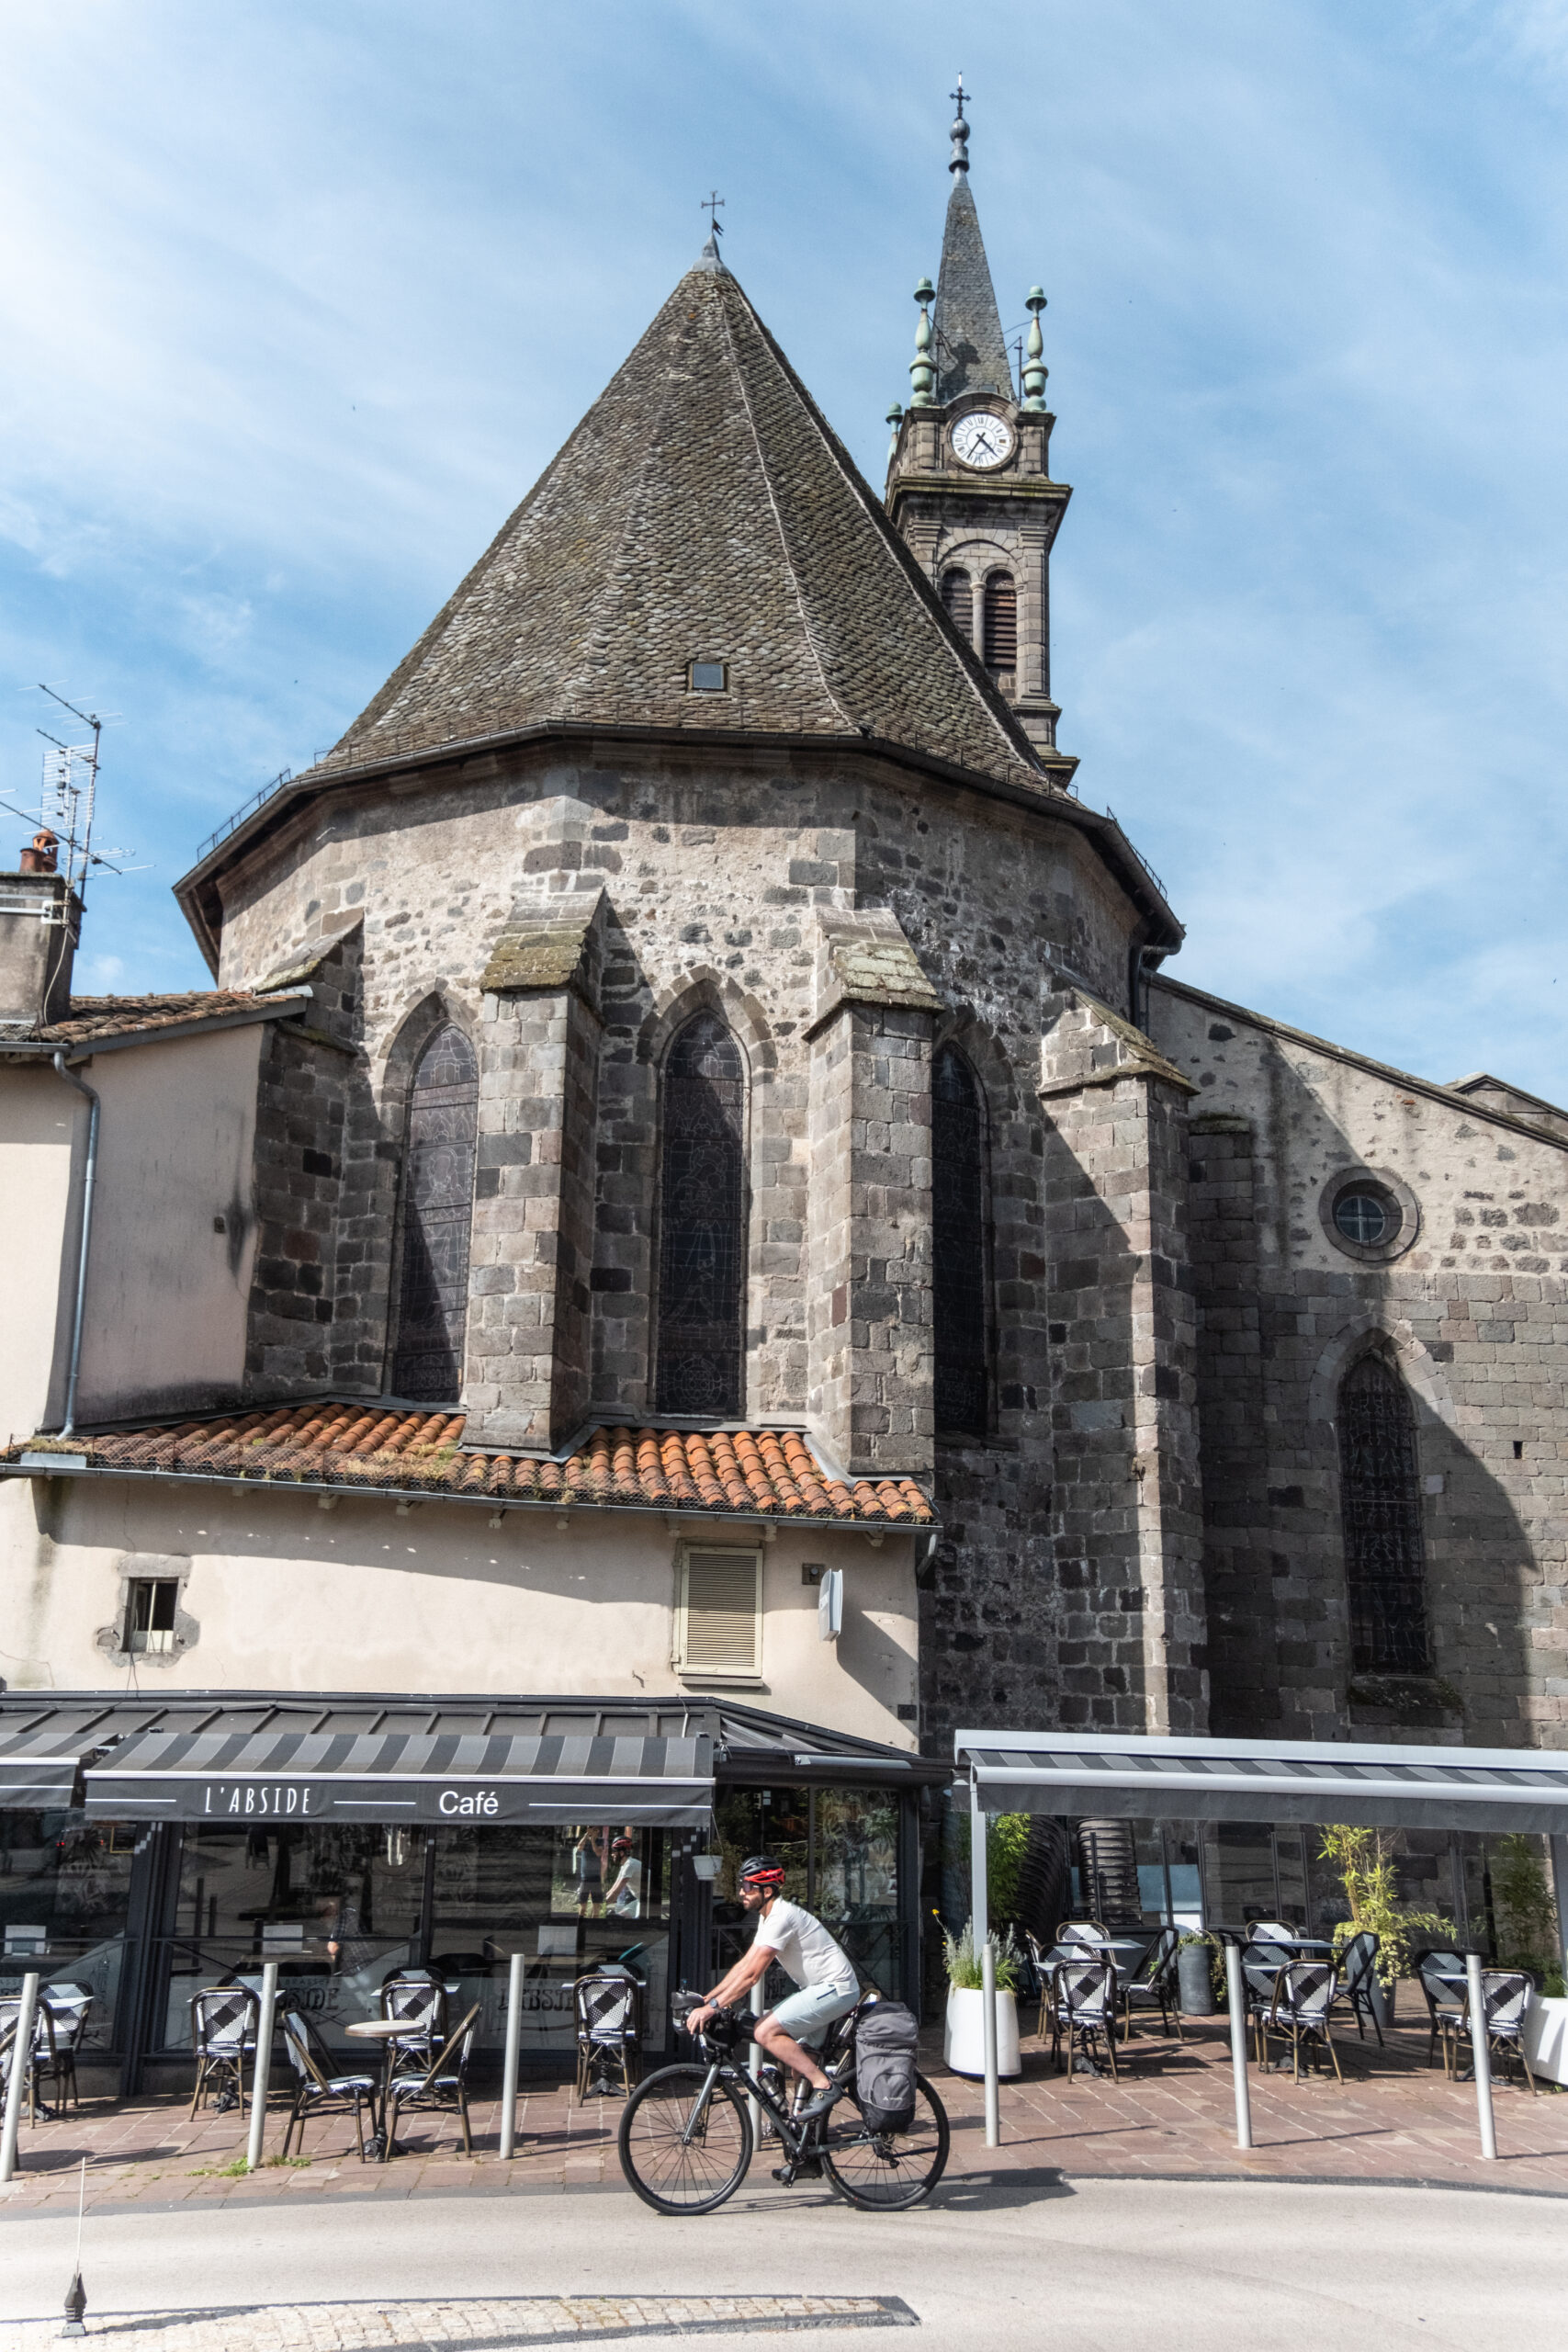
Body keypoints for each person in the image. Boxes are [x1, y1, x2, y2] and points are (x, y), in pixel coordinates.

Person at [686, 1855, 859, 2122]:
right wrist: (711, 1996)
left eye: (748, 1887)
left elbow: (752, 1976)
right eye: (742, 1885)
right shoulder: (768, 1917)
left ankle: (824, 2086)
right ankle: (805, 2134)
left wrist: (712, 2009)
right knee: (800, 2066)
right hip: (821, 1990)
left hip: (835, 1989)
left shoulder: (782, 1916)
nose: (741, 1892)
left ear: (767, 1891)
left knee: (764, 2031)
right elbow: (745, 1964)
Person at [604, 1832, 643, 1919]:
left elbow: (616, 1893)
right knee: (621, 1915)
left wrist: (601, 1906)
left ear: (621, 1853)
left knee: (636, 1924)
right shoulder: (625, 1866)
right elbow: (613, 1889)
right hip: (641, 1900)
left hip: (649, 1901)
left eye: (614, 1852)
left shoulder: (630, 1865)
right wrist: (601, 1901)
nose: (612, 1854)